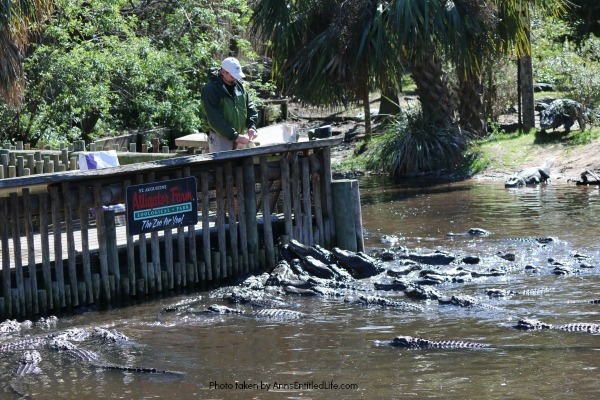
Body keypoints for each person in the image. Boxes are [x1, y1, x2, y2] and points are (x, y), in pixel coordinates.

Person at [201, 57, 258, 152]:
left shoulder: (240, 86)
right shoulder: (210, 90)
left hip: (240, 136)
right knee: (222, 166)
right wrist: (234, 135)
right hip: (220, 137)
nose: (235, 78)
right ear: (223, 72)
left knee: (240, 166)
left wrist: (251, 126)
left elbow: (250, 107)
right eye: (232, 76)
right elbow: (215, 119)